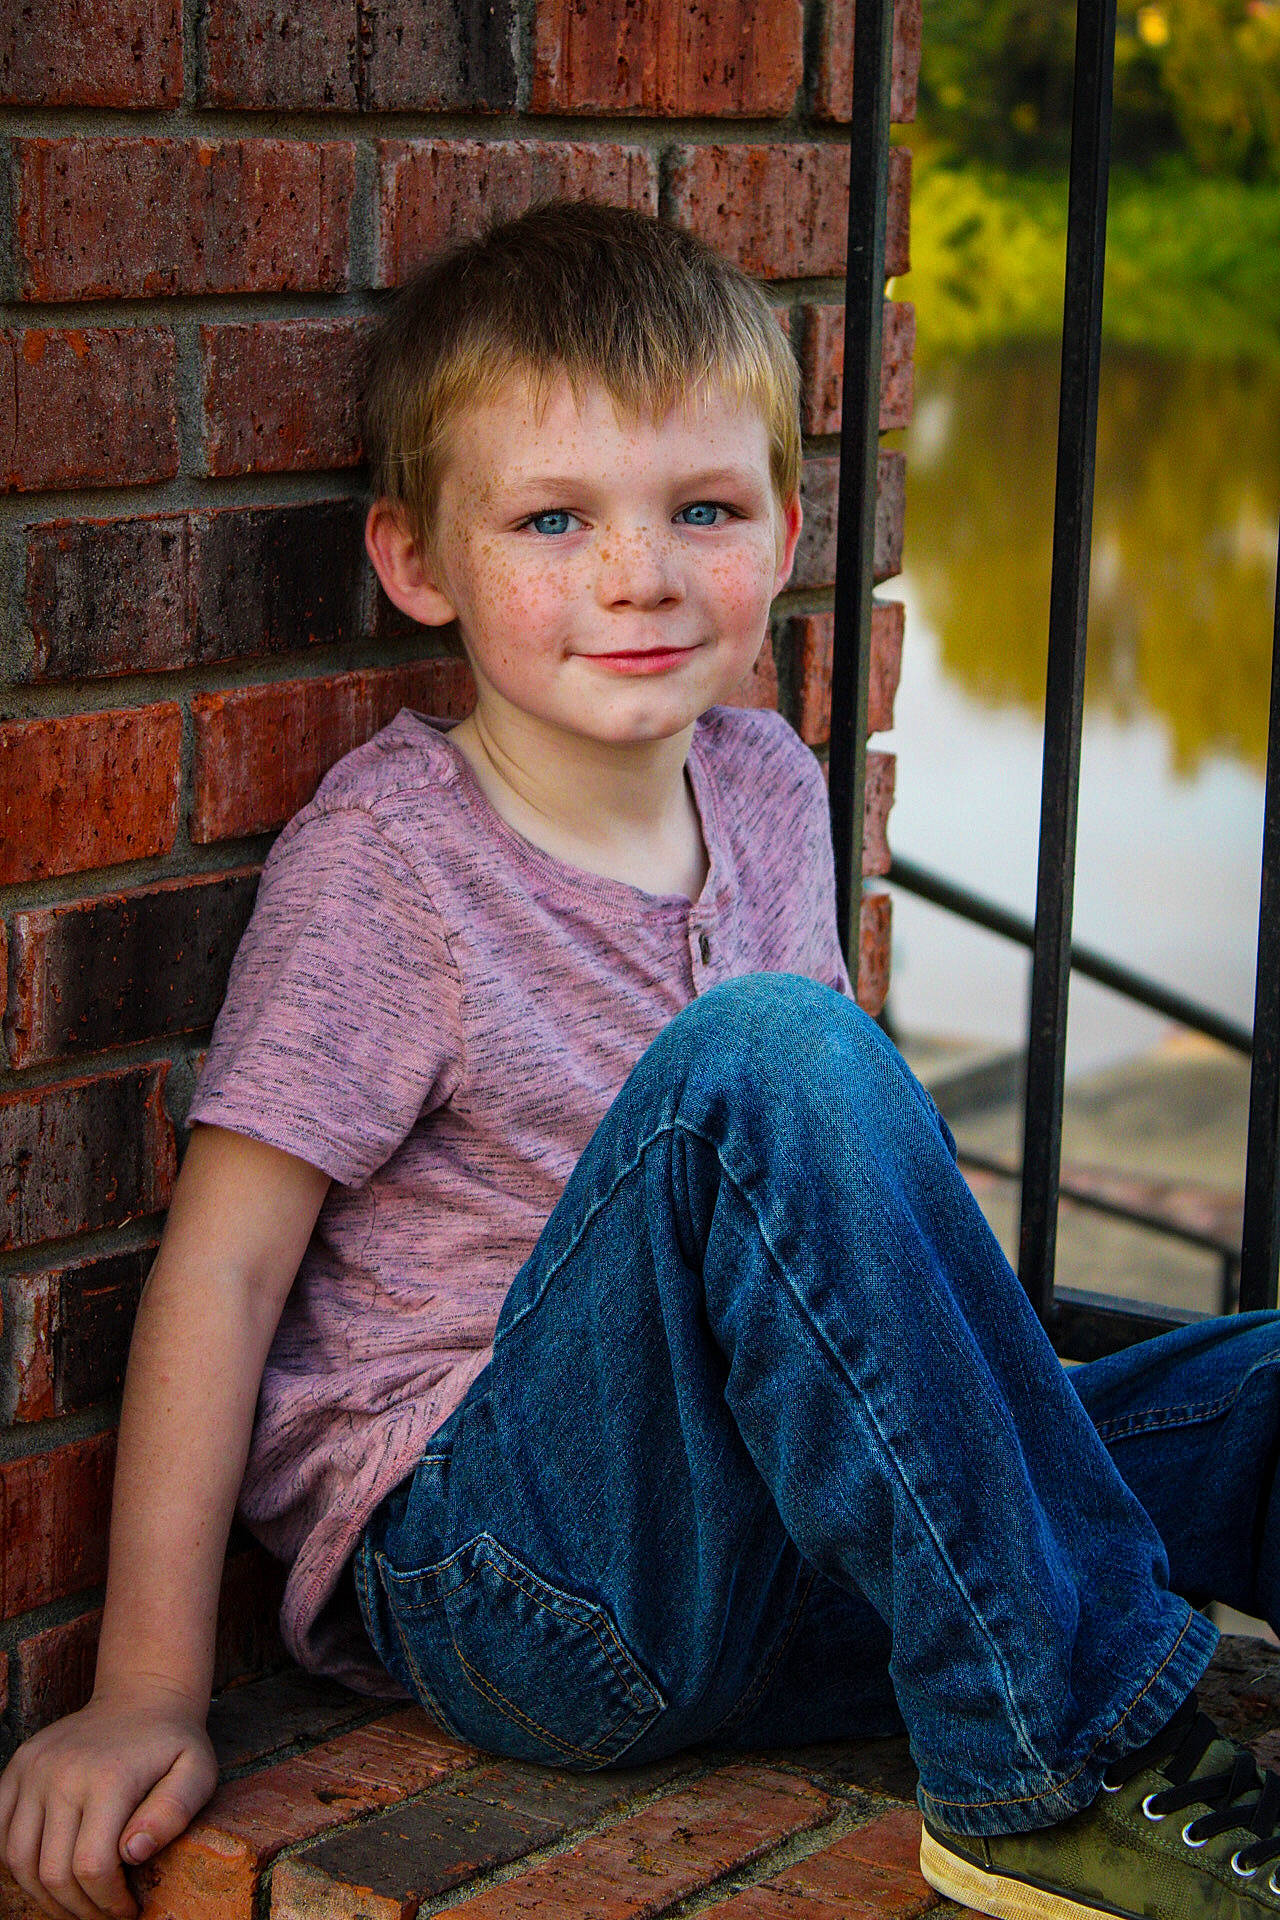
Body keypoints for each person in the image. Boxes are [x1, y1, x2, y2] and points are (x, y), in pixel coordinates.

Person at [2, 200, 1279, 1920]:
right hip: (520, 1573)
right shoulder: (394, 865)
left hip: (773, 1556)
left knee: (1250, 1383)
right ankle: (1044, 1770)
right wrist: (142, 1691)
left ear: (787, 527)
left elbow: (833, 1262)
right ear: (419, 564)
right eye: (554, 519)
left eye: (701, 509)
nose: (639, 572)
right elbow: (224, 1270)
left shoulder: (761, 782)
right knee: (769, 1058)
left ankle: (1025, 1623)